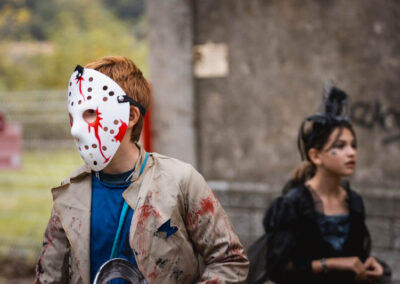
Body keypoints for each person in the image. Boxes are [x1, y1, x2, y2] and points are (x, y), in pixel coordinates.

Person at [35, 56, 249, 284]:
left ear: (130, 116)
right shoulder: (70, 193)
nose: (76, 129)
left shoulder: (179, 182)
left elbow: (229, 261)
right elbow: (49, 277)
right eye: (73, 116)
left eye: (90, 113)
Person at [263, 86, 388, 284]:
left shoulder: (353, 201)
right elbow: (278, 268)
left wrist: (372, 266)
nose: (351, 153)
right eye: (340, 146)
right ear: (315, 156)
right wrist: (332, 264)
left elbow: (358, 257)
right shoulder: (293, 204)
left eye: (353, 145)